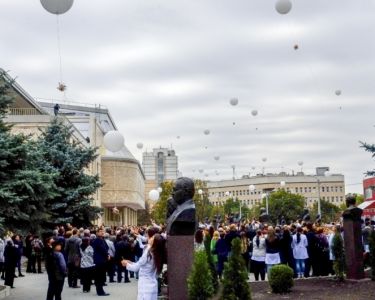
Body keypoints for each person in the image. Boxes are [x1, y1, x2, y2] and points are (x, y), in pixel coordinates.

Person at [121, 232, 166, 300]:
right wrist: (131, 262)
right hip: (153, 284)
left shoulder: (148, 253)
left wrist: (126, 264)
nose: (150, 238)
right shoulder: (158, 253)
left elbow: (136, 268)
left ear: (154, 242)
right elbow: (142, 265)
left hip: (145, 284)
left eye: (152, 238)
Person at [91, 228, 110, 296]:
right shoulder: (98, 240)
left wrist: (107, 254)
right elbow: (103, 249)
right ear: (97, 233)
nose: (102, 232)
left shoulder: (102, 240)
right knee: (99, 276)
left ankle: (100, 290)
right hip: (100, 260)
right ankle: (100, 291)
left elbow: (106, 248)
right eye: (100, 231)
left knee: (100, 276)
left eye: (103, 231)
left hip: (101, 260)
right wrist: (107, 255)